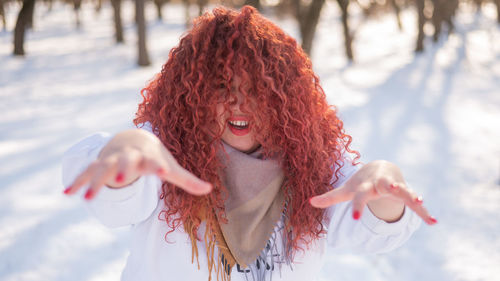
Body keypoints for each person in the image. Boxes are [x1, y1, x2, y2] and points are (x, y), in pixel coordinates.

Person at [62, 5, 435, 281]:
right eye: (223, 88)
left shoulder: (313, 158)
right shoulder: (165, 151)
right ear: (194, 95)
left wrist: (383, 181)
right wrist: (124, 151)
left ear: (285, 96)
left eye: (259, 90)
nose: (240, 104)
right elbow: (114, 197)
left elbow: (372, 226)